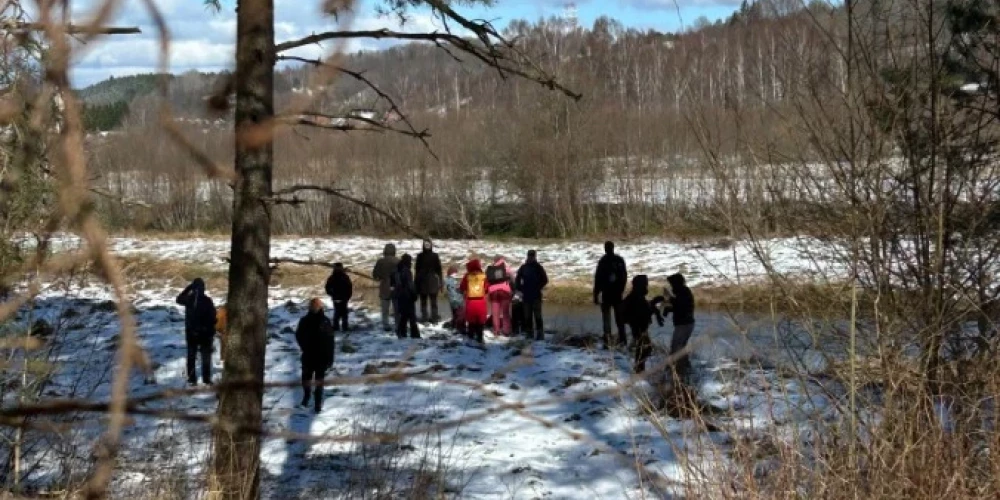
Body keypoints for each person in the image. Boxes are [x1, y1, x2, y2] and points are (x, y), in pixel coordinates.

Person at [295, 298, 335, 413]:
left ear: (320, 307)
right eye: (313, 306)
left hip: (320, 356)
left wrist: (330, 358)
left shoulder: (325, 321)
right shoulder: (304, 320)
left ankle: (317, 404)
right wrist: (304, 346)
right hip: (309, 355)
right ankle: (307, 397)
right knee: (306, 379)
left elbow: (330, 341)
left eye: (316, 306)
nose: (314, 308)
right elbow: (298, 335)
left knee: (318, 381)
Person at [176, 278, 217, 386]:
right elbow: (213, 317)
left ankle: (192, 379)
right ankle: (206, 379)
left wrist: (189, 288)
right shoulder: (207, 300)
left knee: (191, 356)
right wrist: (211, 330)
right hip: (205, 333)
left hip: (192, 333)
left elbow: (179, 299)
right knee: (205, 357)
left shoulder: (189, 299)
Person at [622, 275, 664, 373]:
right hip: (639, 327)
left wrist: (653, 304)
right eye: (645, 284)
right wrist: (654, 303)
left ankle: (639, 370)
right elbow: (643, 312)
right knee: (644, 348)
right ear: (640, 285)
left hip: (640, 327)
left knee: (644, 348)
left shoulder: (637, 296)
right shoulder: (635, 297)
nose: (646, 286)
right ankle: (639, 371)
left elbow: (645, 308)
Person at [593, 240, 628, 349]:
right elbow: (624, 277)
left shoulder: (605, 261)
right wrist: (596, 293)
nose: (606, 249)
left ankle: (610, 341)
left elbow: (598, 279)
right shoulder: (617, 260)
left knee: (612, 319)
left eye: (607, 247)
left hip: (611, 294)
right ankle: (620, 340)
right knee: (617, 319)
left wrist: (596, 294)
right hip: (613, 295)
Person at [662, 273, 696, 380]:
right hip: (687, 324)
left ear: (677, 284)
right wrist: (669, 308)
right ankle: (686, 369)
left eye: (672, 285)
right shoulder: (683, 292)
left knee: (675, 347)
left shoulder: (683, 292)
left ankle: (670, 371)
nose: (672, 287)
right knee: (681, 347)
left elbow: (680, 305)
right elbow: (680, 306)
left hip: (684, 325)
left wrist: (670, 299)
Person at [514, 249, 549, 341]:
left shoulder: (538, 267)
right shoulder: (524, 267)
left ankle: (540, 335)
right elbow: (517, 279)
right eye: (530, 256)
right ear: (528, 256)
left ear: (534, 257)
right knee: (527, 317)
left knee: (537, 316)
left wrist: (538, 287)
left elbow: (545, 280)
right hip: (527, 296)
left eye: (532, 256)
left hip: (536, 296)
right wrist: (521, 288)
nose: (531, 257)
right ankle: (529, 334)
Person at [391, 254, 421, 339]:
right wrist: (414, 294)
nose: (411, 263)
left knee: (403, 316)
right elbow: (410, 285)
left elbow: (393, 284)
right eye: (410, 261)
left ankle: (401, 333)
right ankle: (414, 334)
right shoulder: (407, 271)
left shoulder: (397, 270)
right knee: (412, 316)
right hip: (407, 296)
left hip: (399, 296)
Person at [460, 259, 489, 343]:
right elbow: (486, 288)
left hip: (470, 301)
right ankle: (480, 337)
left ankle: (471, 336)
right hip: (481, 301)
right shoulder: (483, 276)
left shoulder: (467, 276)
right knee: (480, 321)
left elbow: (462, 287)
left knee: (471, 320)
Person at [372, 243, 400, 332]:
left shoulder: (380, 261)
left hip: (384, 287)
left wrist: (380, 277)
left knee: (385, 309)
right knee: (397, 309)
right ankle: (397, 325)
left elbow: (375, 275)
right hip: (396, 288)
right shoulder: (398, 261)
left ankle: (386, 325)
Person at [415, 239, 443, 323]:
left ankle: (429, 318)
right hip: (427, 281)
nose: (427, 246)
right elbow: (417, 270)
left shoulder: (431, 256)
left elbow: (439, 270)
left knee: (428, 301)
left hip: (428, 281)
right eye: (426, 244)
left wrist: (441, 282)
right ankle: (429, 319)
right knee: (429, 301)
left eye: (428, 244)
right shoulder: (422, 256)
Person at [485, 255, 514, 337]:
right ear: (501, 260)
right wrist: (513, 287)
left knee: (495, 313)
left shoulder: (490, 269)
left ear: (494, 260)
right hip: (504, 291)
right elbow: (512, 277)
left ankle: (496, 331)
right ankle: (506, 331)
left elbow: (486, 280)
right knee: (505, 312)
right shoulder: (505, 267)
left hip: (493, 292)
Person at [324, 262, 353, 331]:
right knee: (343, 313)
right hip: (342, 298)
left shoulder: (332, 277)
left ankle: (336, 327)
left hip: (337, 298)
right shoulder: (345, 277)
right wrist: (348, 296)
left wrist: (331, 294)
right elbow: (349, 287)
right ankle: (344, 327)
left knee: (337, 312)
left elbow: (327, 288)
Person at [444, 265, 466, 335]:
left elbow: (444, 288)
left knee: (454, 313)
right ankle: (459, 328)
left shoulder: (447, 279)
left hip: (452, 300)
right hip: (459, 300)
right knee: (460, 314)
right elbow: (461, 289)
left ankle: (454, 325)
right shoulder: (457, 280)